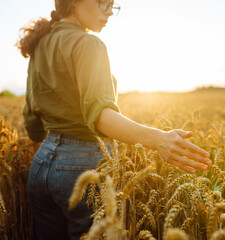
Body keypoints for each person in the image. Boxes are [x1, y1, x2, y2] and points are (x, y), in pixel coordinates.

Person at [16, 0, 211, 239]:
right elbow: (100, 117)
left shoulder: (41, 43)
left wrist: (50, 155)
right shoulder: (89, 44)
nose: (109, 12)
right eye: (102, 3)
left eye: (112, 5)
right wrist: (159, 139)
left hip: (41, 164)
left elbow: (31, 118)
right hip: (82, 166)